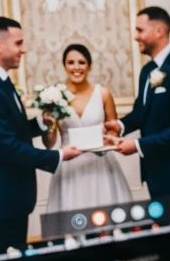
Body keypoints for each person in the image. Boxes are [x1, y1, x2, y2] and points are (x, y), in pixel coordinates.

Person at [0, 17, 81, 252]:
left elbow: (11, 129)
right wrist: (57, 156)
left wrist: (39, 122)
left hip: (12, 195)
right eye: (18, 43)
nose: (23, 50)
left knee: (16, 255)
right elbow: (5, 146)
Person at [104, 6, 170, 208]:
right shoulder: (147, 71)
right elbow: (140, 113)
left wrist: (137, 146)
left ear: (159, 31)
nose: (135, 37)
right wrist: (119, 126)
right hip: (156, 173)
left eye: (140, 30)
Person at [45, 43, 132, 212]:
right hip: (69, 165)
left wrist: (107, 139)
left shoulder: (103, 93)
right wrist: (49, 126)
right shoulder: (56, 95)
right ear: (64, 66)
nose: (76, 67)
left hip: (99, 164)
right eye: (71, 63)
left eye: (81, 62)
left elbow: (113, 132)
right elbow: (50, 143)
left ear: (89, 66)